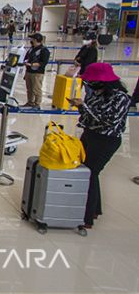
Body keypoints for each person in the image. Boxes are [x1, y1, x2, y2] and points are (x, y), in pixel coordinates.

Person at [67, 63, 131, 229]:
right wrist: (81, 108)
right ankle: (94, 209)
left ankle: (86, 217)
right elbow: (88, 117)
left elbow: (109, 120)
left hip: (106, 141)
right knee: (86, 172)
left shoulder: (121, 98)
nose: (89, 84)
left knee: (90, 173)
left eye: (91, 81)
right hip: (89, 135)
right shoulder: (95, 94)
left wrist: (84, 107)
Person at [23, 33, 50, 109]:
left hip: (37, 73)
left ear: (36, 40)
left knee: (36, 88)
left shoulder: (44, 50)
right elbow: (26, 57)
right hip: (29, 72)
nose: (31, 40)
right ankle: (30, 102)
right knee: (29, 88)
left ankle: (37, 103)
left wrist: (32, 64)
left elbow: (43, 63)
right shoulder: (31, 49)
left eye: (32, 39)